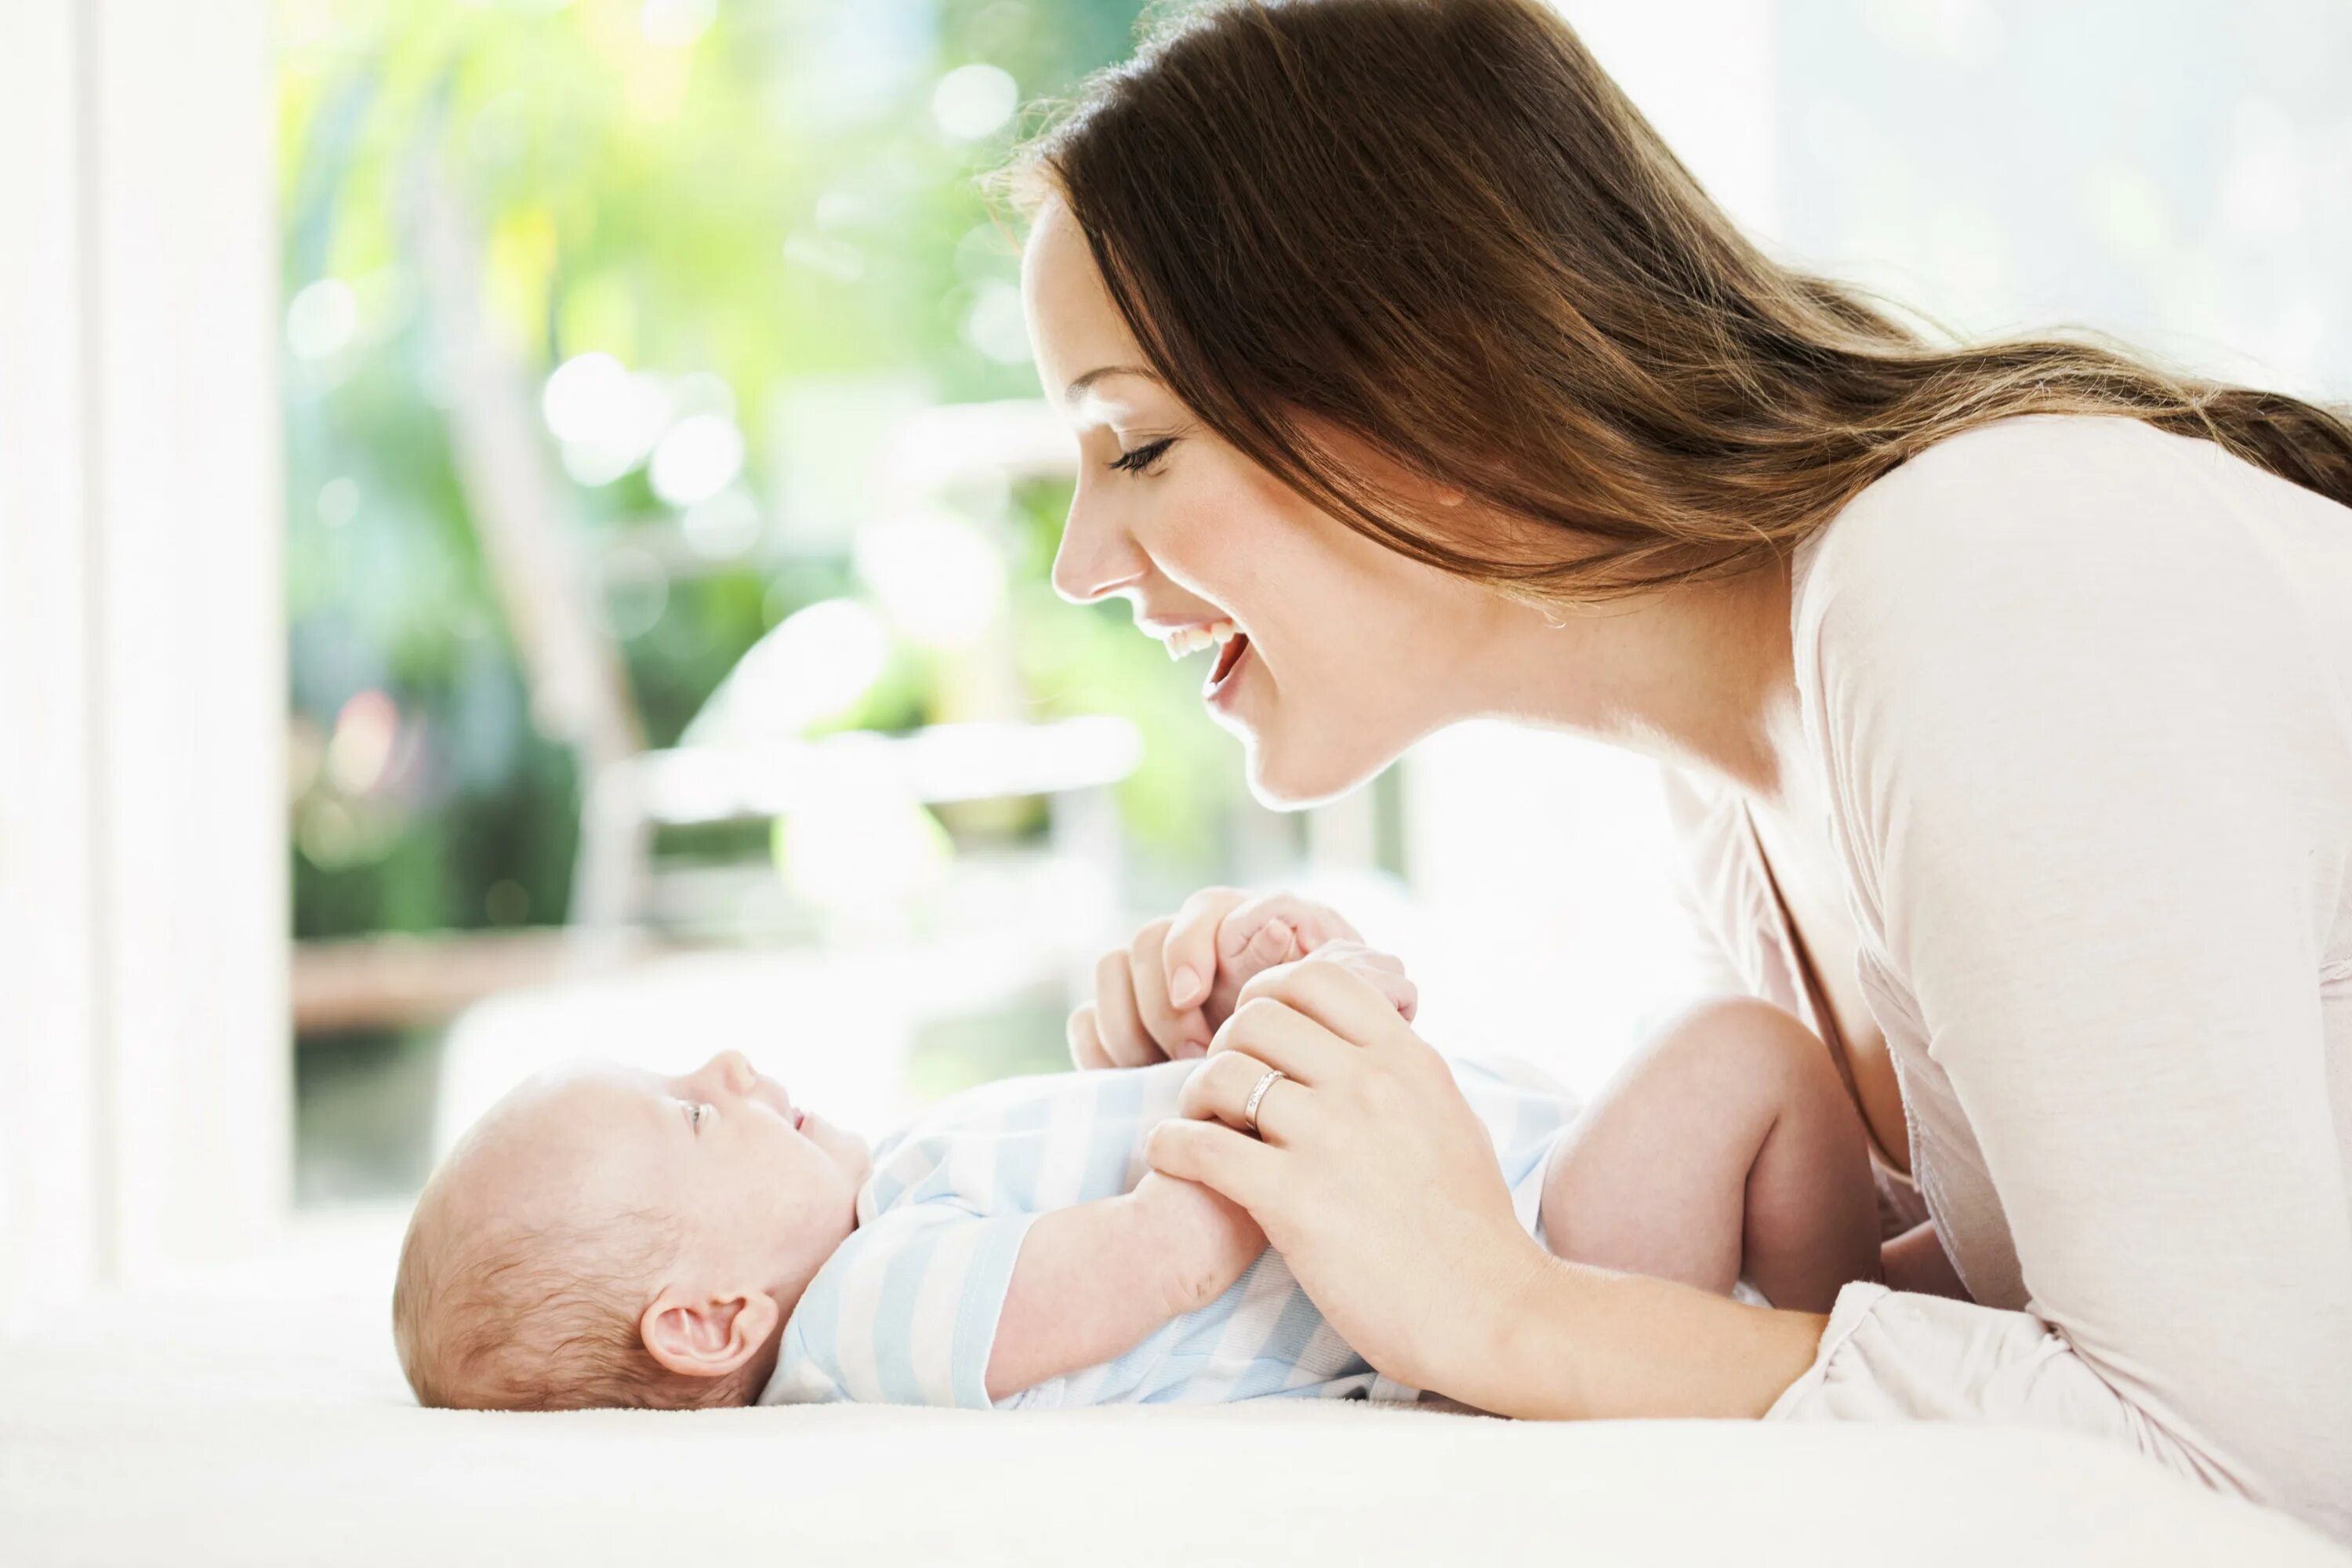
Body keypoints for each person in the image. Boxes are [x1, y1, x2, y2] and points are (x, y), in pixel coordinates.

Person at [1004, 0, 2352, 1539]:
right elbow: (1951, 1364)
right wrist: (1279, 1192)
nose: (1079, 563)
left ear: (1424, 374)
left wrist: (1500, 1306)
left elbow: (2254, 1474)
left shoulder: (1976, 578)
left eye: (1135, 444)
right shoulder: (1738, 787)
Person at [390, 924, 1882, 1413]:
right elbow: (1169, 1251)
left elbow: (1115, 1179)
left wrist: (1247, 988)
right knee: (1735, 1055)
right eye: (690, 1118)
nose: (722, 1069)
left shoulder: (902, 1195)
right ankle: (1864, 1339)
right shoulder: (864, 1312)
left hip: (1513, 1202)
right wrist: (1297, 1040)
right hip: (1534, 1260)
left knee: (1734, 1074)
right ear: (709, 1321)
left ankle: (1879, 1288)